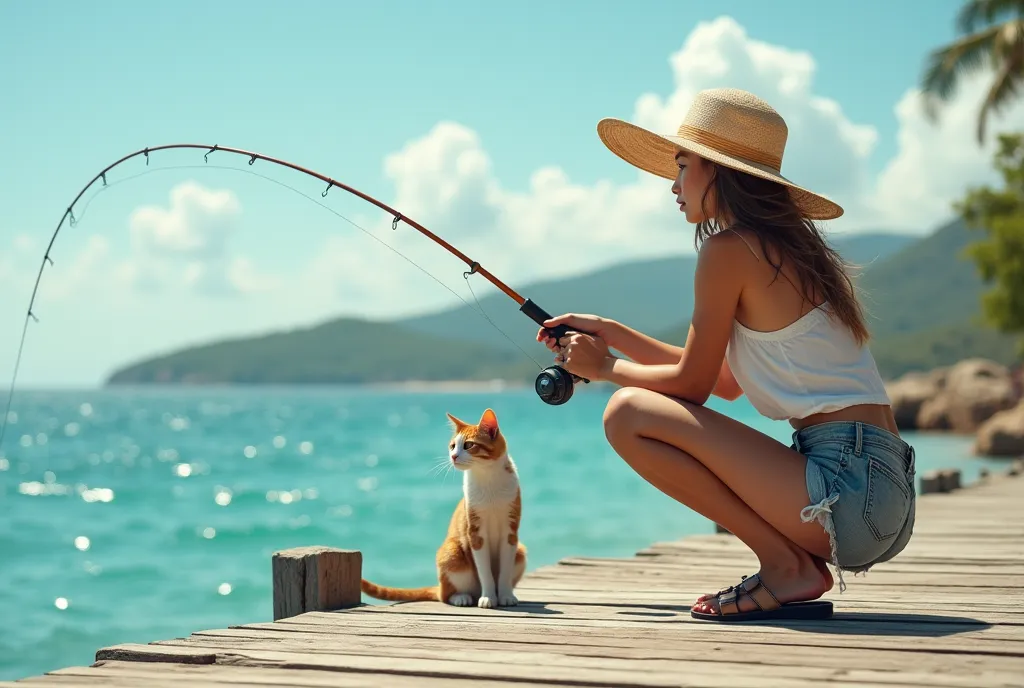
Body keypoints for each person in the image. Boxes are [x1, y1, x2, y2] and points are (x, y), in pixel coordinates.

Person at [537, 88, 917, 623]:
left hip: (847, 493)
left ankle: (786, 566)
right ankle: (788, 563)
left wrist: (602, 369)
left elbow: (689, 387)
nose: (673, 184)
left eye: (683, 166)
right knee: (634, 406)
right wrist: (612, 332)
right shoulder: (788, 250)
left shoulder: (728, 250)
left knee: (626, 414)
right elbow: (723, 380)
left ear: (719, 171)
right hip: (883, 491)